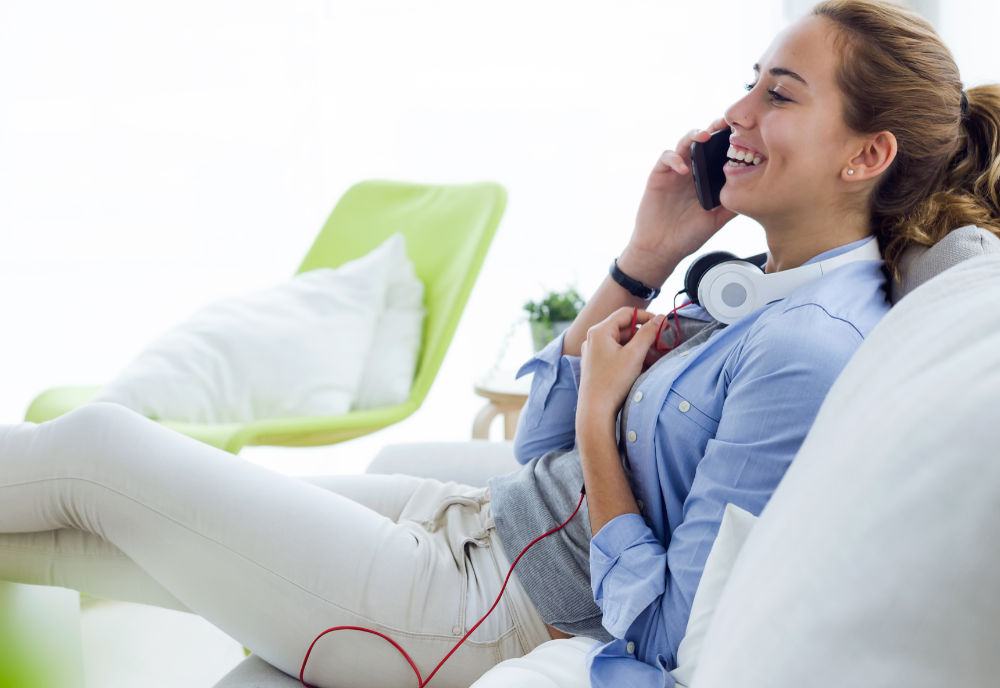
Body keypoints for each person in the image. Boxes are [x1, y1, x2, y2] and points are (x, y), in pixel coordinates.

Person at [1, 2, 999, 686]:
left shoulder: (810, 349)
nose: (734, 114)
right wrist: (645, 254)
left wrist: (605, 428)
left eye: (780, 95)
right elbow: (536, 449)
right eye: (749, 83)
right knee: (76, 535)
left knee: (101, 451)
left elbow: (665, 630)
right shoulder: (759, 289)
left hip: (484, 606)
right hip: (481, 525)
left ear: (866, 156)